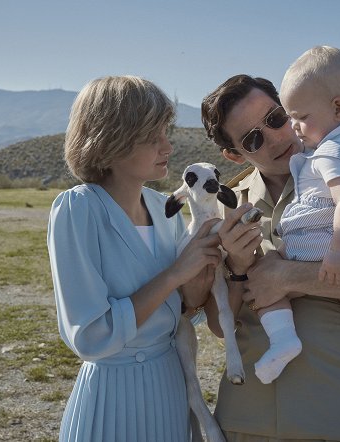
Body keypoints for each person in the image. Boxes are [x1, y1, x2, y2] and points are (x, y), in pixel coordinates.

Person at [200, 73, 340, 442]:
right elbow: (217, 325)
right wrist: (238, 269)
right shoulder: (225, 205)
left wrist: (290, 276)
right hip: (247, 421)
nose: (277, 137)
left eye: (275, 118)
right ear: (233, 154)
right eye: (253, 139)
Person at [47, 76, 222, 442]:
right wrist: (175, 274)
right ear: (109, 142)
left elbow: (188, 312)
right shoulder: (78, 210)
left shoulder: (165, 209)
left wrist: (212, 264)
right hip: (113, 399)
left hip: (170, 390)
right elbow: (91, 337)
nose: (167, 146)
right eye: (151, 137)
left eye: (165, 132)